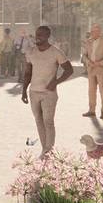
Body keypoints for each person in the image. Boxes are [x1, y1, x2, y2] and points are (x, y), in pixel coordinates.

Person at [21, 26, 74, 155]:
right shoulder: (31, 52)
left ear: (47, 36)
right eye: (36, 34)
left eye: (41, 35)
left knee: (48, 122)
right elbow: (28, 73)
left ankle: (49, 150)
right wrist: (24, 90)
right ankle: (45, 149)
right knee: (39, 121)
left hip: (49, 94)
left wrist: (56, 82)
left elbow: (69, 70)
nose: (37, 37)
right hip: (34, 92)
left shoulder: (56, 52)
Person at [82, 24, 103, 119]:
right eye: (92, 31)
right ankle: (91, 110)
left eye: (95, 31)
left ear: (99, 32)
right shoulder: (88, 42)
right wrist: (88, 62)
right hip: (91, 69)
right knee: (91, 91)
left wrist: (100, 63)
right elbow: (84, 55)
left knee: (102, 91)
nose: (93, 33)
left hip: (101, 69)